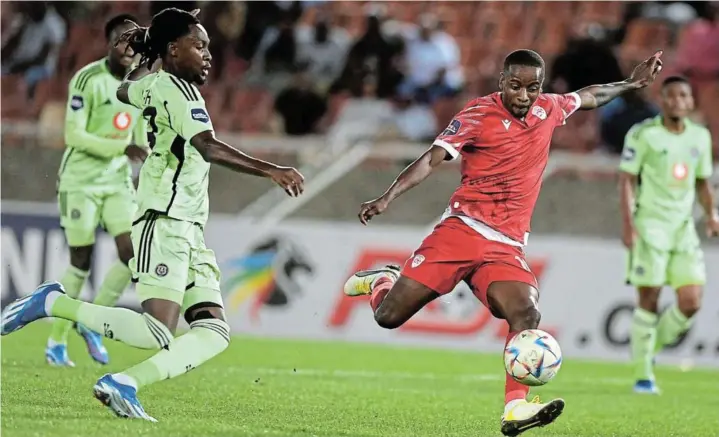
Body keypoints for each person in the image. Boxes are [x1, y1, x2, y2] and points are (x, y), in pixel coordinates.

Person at [1, 8, 305, 422]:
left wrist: (146, 57)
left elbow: (126, 90)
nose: (207, 54)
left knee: (214, 332)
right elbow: (207, 146)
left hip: (189, 228)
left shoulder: (155, 85)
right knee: (157, 331)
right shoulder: (179, 93)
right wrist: (272, 169)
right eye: (199, 46)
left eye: (208, 47)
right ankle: (53, 303)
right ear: (174, 50)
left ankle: (124, 383)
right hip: (164, 220)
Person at [342, 49, 663, 437]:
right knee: (388, 317)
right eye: (516, 86)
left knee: (527, 315)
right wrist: (387, 197)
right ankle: (383, 280)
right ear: (502, 82)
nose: (525, 96)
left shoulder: (550, 108)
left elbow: (590, 95)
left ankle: (515, 409)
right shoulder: (478, 115)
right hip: (461, 232)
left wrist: (631, 83)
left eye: (533, 87)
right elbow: (431, 159)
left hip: (505, 246)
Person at [46, 14, 149, 368]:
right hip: (80, 181)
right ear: (109, 42)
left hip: (116, 181)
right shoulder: (87, 79)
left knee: (132, 255)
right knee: (81, 262)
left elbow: (136, 137)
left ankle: (93, 322)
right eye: (122, 38)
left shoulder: (140, 84)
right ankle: (55, 342)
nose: (128, 46)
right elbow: (74, 135)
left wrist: (144, 157)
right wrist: (119, 149)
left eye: (134, 39)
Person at [618, 75, 718, 395]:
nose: (676, 101)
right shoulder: (644, 134)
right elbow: (627, 180)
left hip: (683, 230)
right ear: (662, 100)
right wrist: (629, 224)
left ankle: (647, 347)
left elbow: (702, 182)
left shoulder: (700, 137)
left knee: (691, 302)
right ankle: (643, 374)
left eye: (683, 96)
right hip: (650, 228)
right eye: (670, 96)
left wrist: (712, 214)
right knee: (649, 299)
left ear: (691, 102)